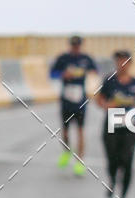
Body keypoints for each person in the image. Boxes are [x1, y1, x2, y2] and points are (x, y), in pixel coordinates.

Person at [96, 51, 135, 198]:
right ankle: (112, 179)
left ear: (130, 64)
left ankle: (123, 197)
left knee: (127, 160)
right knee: (112, 158)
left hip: (130, 126)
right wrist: (107, 105)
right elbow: (99, 99)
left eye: (125, 62)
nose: (121, 65)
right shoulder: (109, 81)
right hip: (112, 124)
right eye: (119, 62)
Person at [49, 35, 97, 175]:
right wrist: (63, 74)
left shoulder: (86, 59)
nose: (75, 48)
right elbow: (52, 73)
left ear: (81, 45)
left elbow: (95, 71)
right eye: (73, 45)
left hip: (80, 99)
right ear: (70, 45)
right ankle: (67, 151)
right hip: (66, 99)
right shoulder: (63, 58)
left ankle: (80, 161)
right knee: (65, 130)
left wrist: (87, 72)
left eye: (78, 45)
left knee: (81, 130)